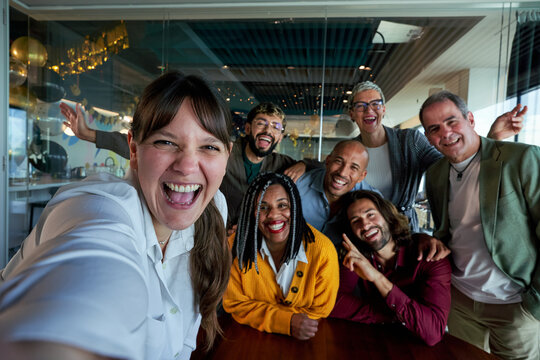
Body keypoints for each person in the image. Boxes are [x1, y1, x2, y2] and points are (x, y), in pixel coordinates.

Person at [0, 73, 232, 360]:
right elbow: (94, 265)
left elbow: (182, 343)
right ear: (133, 150)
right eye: (165, 142)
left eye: (209, 147)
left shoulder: (214, 207)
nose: (186, 165)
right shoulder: (100, 207)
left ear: (226, 157)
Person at [61, 102, 309, 233]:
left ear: (281, 136)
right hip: (206, 235)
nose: (268, 130)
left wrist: (303, 164)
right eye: (262, 123)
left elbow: (328, 165)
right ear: (247, 129)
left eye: (275, 127)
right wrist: (89, 134)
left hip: (249, 243)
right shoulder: (219, 150)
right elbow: (151, 148)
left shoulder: (281, 164)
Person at [420, 90, 540, 359]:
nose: (446, 133)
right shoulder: (436, 174)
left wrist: (536, 302)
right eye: (435, 128)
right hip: (461, 300)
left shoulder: (521, 159)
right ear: (428, 137)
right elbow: (448, 230)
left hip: (516, 305)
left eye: (452, 122)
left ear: (470, 119)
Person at [348, 81, 527, 233]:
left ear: (383, 109)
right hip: (363, 233)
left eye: (375, 104)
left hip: (403, 233)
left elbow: (453, 164)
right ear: (352, 114)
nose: (369, 110)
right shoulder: (349, 151)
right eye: (360, 106)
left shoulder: (409, 141)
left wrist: (493, 138)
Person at [222, 172, 339, 340]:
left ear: (295, 207)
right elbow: (234, 303)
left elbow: (320, 311)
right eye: (263, 207)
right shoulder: (234, 246)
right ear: (252, 212)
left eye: (282, 205)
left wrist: (256, 313)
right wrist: (285, 321)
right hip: (249, 339)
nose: (274, 215)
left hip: (305, 342)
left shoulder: (323, 251)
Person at [330, 190, 452, 346]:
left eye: (371, 214)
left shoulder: (431, 258)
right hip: (377, 343)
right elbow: (332, 303)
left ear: (388, 216)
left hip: (420, 347)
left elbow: (433, 332)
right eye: (356, 221)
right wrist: (390, 316)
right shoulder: (358, 256)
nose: (365, 224)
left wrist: (378, 278)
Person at [295, 139, 378, 245]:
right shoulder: (297, 186)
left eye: (353, 167)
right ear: (328, 161)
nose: (343, 173)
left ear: (362, 176)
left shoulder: (373, 202)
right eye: (338, 161)